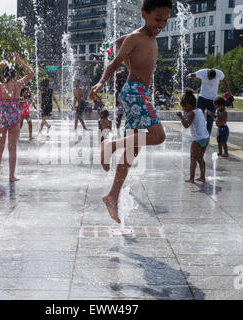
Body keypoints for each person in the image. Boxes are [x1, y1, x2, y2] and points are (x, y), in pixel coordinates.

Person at [89, 0, 170, 223]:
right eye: (157, 19)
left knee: (133, 149)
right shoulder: (136, 37)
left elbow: (115, 45)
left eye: (165, 20)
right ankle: (110, 146)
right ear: (144, 14)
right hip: (135, 92)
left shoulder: (147, 39)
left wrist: (128, 61)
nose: (160, 25)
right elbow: (113, 62)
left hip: (139, 91)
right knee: (158, 136)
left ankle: (112, 195)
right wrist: (100, 83)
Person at [0, 52, 34, 182]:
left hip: (1, 119)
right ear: (14, 75)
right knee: (12, 148)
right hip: (14, 119)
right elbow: (31, 73)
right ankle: (11, 176)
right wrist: (19, 61)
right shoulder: (17, 86)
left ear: (3, 76)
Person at [176, 89, 210, 183]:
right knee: (200, 158)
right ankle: (202, 177)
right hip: (206, 138)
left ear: (188, 105)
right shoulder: (199, 110)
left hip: (197, 139)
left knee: (193, 158)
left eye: (184, 107)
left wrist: (181, 117)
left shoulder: (191, 113)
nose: (183, 109)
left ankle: (191, 178)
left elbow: (186, 125)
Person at [186, 68, 232, 134]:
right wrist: (189, 75)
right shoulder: (203, 72)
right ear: (207, 73)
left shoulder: (219, 73)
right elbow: (193, 74)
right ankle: (197, 133)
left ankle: (207, 136)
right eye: (208, 78)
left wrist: (229, 93)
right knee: (198, 116)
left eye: (211, 78)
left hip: (212, 100)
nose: (209, 79)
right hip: (202, 97)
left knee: (210, 120)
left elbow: (225, 82)